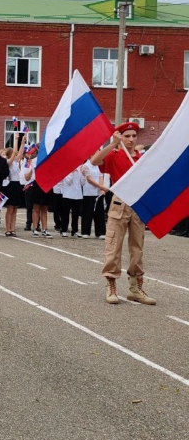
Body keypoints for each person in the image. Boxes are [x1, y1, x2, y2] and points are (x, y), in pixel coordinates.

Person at [90, 122, 155, 305]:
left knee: (137, 248)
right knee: (114, 246)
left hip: (138, 203)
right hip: (120, 203)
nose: (131, 139)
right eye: (127, 136)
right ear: (121, 137)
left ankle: (135, 288)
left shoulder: (141, 159)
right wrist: (112, 143)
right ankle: (111, 286)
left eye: (134, 136)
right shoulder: (115, 154)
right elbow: (94, 161)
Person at [2, 134, 24, 237]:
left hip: (17, 185)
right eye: (13, 155)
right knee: (10, 208)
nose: (16, 156)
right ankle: (8, 228)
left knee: (15, 208)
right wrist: (16, 139)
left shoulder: (16, 162)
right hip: (10, 185)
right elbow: (16, 152)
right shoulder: (8, 162)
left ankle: (13, 228)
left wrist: (23, 141)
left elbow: (20, 153)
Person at [80, 157, 107, 239]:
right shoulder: (86, 166)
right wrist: (100, 186)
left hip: (98, 192)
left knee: (100, 212)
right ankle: (85, 231)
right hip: (88, 191)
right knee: (87, 212)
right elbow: (89, 179)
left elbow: (101, 176)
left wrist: (101, 188)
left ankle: (100, 232)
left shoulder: (98, 166)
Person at [59, 167, 83, 238]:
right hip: (68, 195)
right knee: (65, 213)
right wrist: (72, 173)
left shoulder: (79, 170)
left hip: (77, 195)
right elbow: (68, 181)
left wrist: (84, 175)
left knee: (75, 214)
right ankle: (63, 230)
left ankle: (75, 231)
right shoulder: (66, 169)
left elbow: (83, 183)